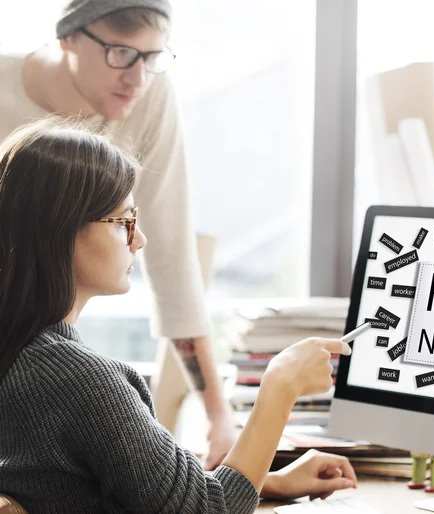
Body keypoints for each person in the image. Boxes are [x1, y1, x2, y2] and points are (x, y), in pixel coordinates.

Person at [0, 118, 357, 513]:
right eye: (124, 222)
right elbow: (208, 510)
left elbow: (95, 489)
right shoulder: (79, 381)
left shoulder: (23, 358)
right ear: (60, 231)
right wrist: (280, 387)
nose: (140, 239)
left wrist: (265, 482)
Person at [0, 0, 236, 468]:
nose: (138, 78)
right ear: (68, 37)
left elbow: (170, 255)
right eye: (121, 53)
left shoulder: (150, 93)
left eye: (153, 57)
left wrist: (218, 417)